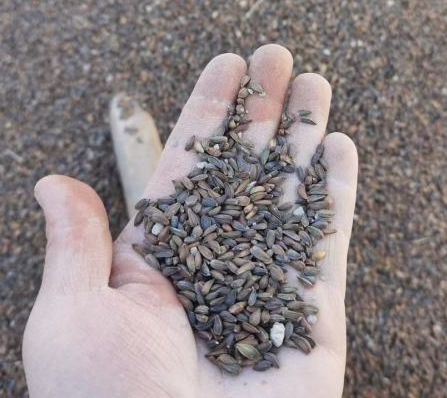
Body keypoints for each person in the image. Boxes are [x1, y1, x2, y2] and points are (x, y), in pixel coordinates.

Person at [22, 45, 358, 397]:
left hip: (189, 254)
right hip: (189, 260)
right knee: (160, 221)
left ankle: (144, 182)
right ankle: (144, 183)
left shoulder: (243, 277)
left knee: (159, 220)